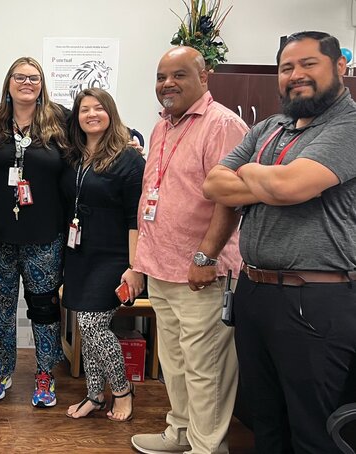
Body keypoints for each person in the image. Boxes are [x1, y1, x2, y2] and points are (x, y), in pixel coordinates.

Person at [203, 31, 356, 453]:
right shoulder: (270, 127)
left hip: (315, 299)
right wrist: (271, 183)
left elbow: (291, 186)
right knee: (262, 419)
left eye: (309, 64)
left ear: (339, 66)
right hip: (255, 292)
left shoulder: (348, 126)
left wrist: (253, 175)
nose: (296, 75)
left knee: (313, 428)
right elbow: (215, 184)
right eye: (287, 67)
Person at [130, 47, 247, 454]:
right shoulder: (164, 126)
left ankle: (207, 448)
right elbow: (154, 194)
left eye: (179, 75)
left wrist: (206, 256)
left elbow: (230, 199)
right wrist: (141, 262)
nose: (167, 84)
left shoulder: (223, 125)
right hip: (162, 268)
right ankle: (180, 433)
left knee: (206, 370)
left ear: (204, 77)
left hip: (202, 273)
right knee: (175, 363)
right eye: (162, 76)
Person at [0, 57, 69, 408]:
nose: (26, 82)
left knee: (43, 307)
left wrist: (131, 141)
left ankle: (45, 373)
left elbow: (100, 129)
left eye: (34, 77)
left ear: (42, 84)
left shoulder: (61, 119)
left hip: (45, 233)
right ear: (8, 81)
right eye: (19, 77)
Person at [60, 88, 145, 422]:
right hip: (80, 252)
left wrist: (135, 267)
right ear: (76, 117)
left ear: (111, 113)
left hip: (114, 256)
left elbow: (135, 217)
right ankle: (94, 395)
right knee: (87, 324)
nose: (91, 114)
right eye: (84, 110)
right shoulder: (74, 155)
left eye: (98, 109)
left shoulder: (129, 157)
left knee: (93, 324)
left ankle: (122, 390)